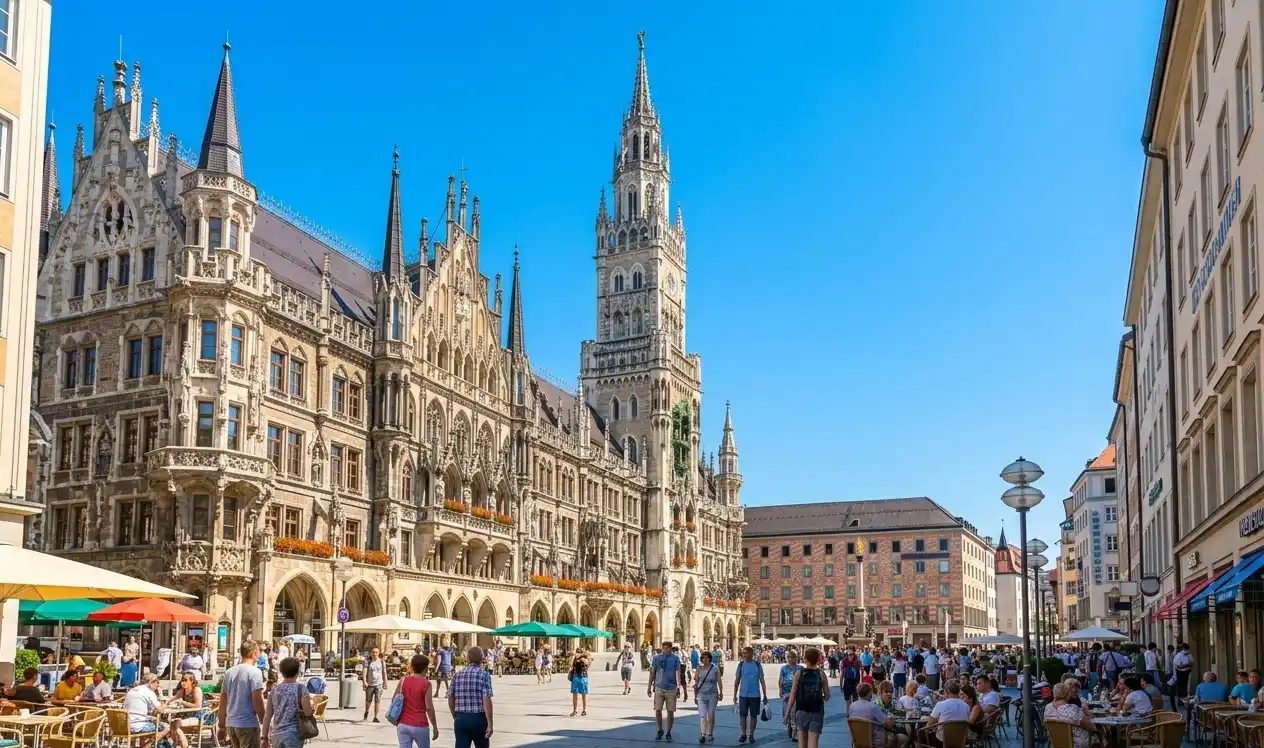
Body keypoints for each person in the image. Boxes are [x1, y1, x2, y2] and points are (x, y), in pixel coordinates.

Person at [218, 641, 267, 748]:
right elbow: (257, 701)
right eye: (258, 653)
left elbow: (223, 700)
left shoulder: (229, 672)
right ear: (254, 654)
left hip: (232, 723)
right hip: (248, 723)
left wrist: (221, 725)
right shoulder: (255, 672)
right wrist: (265, 723)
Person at [447, 646, 493, 748]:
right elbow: (486, 699)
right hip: (479, 718)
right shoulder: (484, 675)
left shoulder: (457, 675)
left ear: (467, 658)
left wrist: (455, 716)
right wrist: (490, 723)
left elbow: (450, 697)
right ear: (482, 658)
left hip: (461, 717)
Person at [261, 657, 312, 748]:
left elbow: (267, 716)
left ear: (281, 672)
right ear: (297, 671)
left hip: (276, 734)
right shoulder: (301, 689)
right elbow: (308, 713)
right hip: (294, 734)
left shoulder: (274, 690)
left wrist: (264, 737)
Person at [786, 648, 830, 748]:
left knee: (802, 739)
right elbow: (827, 696)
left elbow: (793, 694)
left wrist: (787, 712)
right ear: (817, 659)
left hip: (801, 710)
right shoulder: (821, 674)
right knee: (814, 740)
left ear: (805, 659)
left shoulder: (799, 673)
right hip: (817, 710)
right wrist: (821, 696)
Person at [393, 654, 439, 748]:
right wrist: (435, 726)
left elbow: (394, 699)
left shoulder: (403, 680)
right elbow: (429, 708)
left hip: (403, 723)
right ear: (426, 668)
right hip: (420, 724)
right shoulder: (426, 684)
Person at [127, 674, 184, 748]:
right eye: (156, 683)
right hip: (138, 725)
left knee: (155, 725)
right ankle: (151, 743)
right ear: (151, 682)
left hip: (126, 724)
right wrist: (166, 704)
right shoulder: (148, 692)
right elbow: (160, 709)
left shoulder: (132, 690)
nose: (157, 686)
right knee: (166, 727)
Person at [849, 682, 906, 748]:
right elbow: (888, 725)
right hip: (875, 741)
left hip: (858, 740)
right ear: (869, 694)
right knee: (898, 738)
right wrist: (891, 719)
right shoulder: (872, 707)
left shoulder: (851, 706)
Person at [649, 640, 686, 743]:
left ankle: (668, 732)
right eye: (665, 648)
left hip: (671, 688)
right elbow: (652, 672)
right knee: (657, 710)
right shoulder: (657, 658)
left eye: (668, 648)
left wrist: (678, 686)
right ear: (662, 648)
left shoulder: (675, 658)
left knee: (670, 711)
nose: (666, 650)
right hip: (659, 687)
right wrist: (649, 686)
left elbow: (678, 672)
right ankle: (660, 729)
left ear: (671, 648)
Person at [733, 646, 767, 745]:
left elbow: (762, 680)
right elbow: (737, 680)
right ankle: (743, 734)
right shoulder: (741, 665)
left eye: (746, 653)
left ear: (752, 654)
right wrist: (734, 695)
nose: (744, 655)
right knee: (742, 715)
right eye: (743, 653)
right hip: (743, 694)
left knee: (753, 715)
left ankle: (751, 734)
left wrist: (765, 694)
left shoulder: (757, 665)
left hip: (755, 695)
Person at [1044, 682, 1093, 748]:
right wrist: (1086, 710)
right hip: (1076, 744)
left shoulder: (1048, 708)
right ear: (1067, 694)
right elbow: (1090, 725)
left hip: (1057, 743)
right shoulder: (1072, 709)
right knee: (1101, 739)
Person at [925, 680, 970, 748]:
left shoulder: (940, 704)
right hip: (960, 741)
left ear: (947, 692)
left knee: (923, 733)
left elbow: (930, 723)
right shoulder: (966, 706)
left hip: (942, 742)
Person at [694, 650, 722, 744]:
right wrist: (695, 695)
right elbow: (696, 683)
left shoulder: (715, 668)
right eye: (703, 658)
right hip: (701, 694)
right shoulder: (698, 669)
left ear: (710, 658)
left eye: (707, 657)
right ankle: (703, 734)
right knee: (702, 716)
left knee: (710, 714)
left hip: (713, 694)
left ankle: (710, 733)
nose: (705, 659)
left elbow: (719, 681)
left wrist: (721, 692)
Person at [779, 650, 803, 742]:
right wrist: (780, 690)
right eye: (788, 657)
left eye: (791, 657)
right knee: (786, 712)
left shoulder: (800, 668)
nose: (789, 659)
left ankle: (795, 734)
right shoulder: (784, 668)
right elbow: (781, 679)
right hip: (786, 693)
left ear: (795, 658)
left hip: (796, 693)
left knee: (793, 713)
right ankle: (791, 730)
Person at [363, 646, 388, 722]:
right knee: (368, 700)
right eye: (373, 652)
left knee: (377, 701)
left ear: (379, 653)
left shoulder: (382, 662)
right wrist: (364, 681)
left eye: (376, 652)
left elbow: (384, 672)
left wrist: (385, 682)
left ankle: (375, 717)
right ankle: (367, 711)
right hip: (370, 684)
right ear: (371, 653)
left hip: (379, 684)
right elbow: (364, 672)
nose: (374, 654)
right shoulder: (367, 661)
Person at [569, 648, 591, 717]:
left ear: (581, 653)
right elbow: (570, 665)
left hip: (583, 678)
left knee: (583, 694)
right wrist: (573, 657)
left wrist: (582, 658)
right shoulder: (574, 658)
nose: (577, 653)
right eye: (576, 652)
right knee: (574, 694)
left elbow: (587, 663)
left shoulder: (584, 658)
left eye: (578, 652)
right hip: (575, 677)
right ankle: (575, 710)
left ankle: (584, 710)